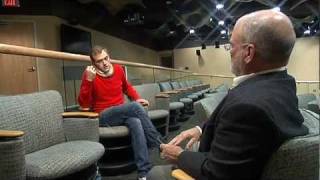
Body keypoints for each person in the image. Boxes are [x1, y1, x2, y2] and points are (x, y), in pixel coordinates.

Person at [154, 9, 308, 180]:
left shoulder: (247, 108)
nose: (230, 51)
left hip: (220, 169)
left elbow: (215, 173)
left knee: (155, 174)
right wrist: (200, 129)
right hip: (245, 163)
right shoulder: (284, 83)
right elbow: (242, 133)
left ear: (248, 53)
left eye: (231, 45)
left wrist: (179, 155)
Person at [78, 45, 162, 180]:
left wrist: (137, 98)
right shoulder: (89, 75)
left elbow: (127, 87)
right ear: (93, 63)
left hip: (122, 112)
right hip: (103, 115)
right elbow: (83, 104)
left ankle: (143, 172)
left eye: (106, 58)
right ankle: (157, 144)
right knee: (134, 107)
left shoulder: (117, 69)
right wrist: (88, 81)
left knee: (136, 121)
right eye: (99, 61)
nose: (104, 62)